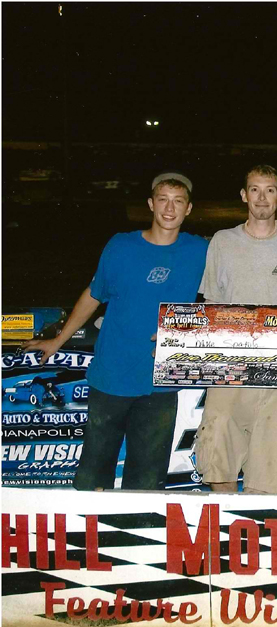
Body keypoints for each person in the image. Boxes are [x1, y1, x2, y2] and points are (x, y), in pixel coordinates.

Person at [23, 172, 208, 490]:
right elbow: (93, 295)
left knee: (147, 483)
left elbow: (220, 301)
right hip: (111, 376)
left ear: (189, 209)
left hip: (160, 382)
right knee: (93, 475)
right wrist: (57, 340)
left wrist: (184, 335)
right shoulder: (121, 245)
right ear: (150, 204)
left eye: (178, 201)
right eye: (163, 199)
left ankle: (138, 522)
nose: (169, 208)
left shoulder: (200, 251)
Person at [193, 164, 277, 494]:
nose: (262, 198)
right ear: (244, 196)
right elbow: (210, 307)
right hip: (228, 369)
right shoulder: (222, 241)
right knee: (219, 458)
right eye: (255, 190)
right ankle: (226, 526)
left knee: (274, 467)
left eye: (269, 190)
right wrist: (176, 339)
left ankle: (258, 527)